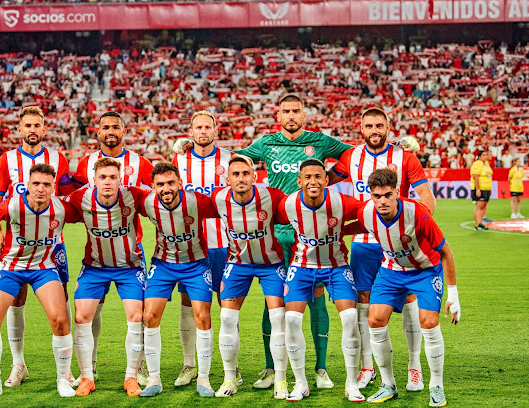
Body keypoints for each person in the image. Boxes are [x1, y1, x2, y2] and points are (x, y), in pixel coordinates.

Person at [174, 94, 351, 389]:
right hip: (277, 234)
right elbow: (233, 157)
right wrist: (192, 147)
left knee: (316, 296)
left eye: (296, 111)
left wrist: (328, 178)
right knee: (276, 303)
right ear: (278, 116)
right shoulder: (266, 144)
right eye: (286, 111)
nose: (291, 115)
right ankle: (272, 368)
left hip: (310, 233)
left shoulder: (319, 141)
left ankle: (320, 368)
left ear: (304, 115)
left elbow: (352, 155)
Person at [328, 107, 435, 391]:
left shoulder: (406, 157)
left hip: (400, 246)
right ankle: (367, 367)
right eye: (369, 126)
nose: (374, 130)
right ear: (360, 129)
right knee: (364, 304)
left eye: (379, 125)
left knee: (410, 300)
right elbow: (321, 180)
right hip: (364, 245)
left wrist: (414, 229)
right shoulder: (351, 157)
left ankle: (415, 367)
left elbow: (427, 199)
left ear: (388, 126)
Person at [357, 168, 461, 407]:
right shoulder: (367, 212)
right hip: (391, 271)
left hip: (424, 271)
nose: (382, 201)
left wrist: (453, 295)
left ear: (396, 193)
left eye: (387, 195)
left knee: (429, 322)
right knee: (375, 320)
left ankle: (437, 386)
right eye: (377, 195)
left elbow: (445, 252)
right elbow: (352, 226)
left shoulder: (418, 213)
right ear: (371, 195)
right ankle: (388, 385)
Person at [0, 106, 74, 387]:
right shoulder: (7, 159)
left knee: (61, 303)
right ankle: (18, 364)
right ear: (20, 129)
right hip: (17, 244)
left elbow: (68, 198)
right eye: (28, 125)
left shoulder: (57, 158)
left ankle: (66, 369)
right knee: (16, 299)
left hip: (52, 245)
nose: (32, 130)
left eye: (37, 125)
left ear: (44, 129)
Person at [0, 164, 79, 399]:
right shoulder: (13, 204)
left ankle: (63, 379)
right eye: (36, 184)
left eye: (46, 184)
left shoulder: (62, 208)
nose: (41, 189)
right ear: (28, 185)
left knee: (60, 319)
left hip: (43, 267)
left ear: (54, 187)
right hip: (10, 267)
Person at [72, 111, 153, 384]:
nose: (110, 131)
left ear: (124, 131)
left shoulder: (140, 163)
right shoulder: (85, 164)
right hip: (96, 255)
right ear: (97, 131)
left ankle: (137, 368)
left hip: (130, 252)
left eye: (115, 127)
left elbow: (159, 194)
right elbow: (70, 201)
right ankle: (90, 366)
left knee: (137, 314)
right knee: (91, 310)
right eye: (105, 126)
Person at [275, 159, 364, 402]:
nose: (313, 181)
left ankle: (351, 383)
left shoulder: (342, 202)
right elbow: (268, 220)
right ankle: (301, 383)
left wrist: (345, 230)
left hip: (335, 266)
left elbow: (370, 214)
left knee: (350, 318)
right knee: (291, 320)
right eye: (308, 177)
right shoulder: (289, 204)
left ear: (326, 180)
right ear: (299, 181)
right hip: (302, 267)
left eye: (318, 176)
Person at [139, 162, 220, 397]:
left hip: (196, 264)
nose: (166, 188)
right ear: (153, 187)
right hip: (163, 264)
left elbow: (225, 208)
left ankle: (203, 379)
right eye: (161, 184)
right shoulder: (146, 203)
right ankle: (154, 379)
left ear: (180, 184)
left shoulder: (197, 201)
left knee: (202, 317)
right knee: (150, 316)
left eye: (171, 183)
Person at [210, 155, 288, 399]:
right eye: (236, 174)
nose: (241, 178)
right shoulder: (218, 198)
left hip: (270, 264)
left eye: (246, 173)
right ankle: (230, 378)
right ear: (227, 178)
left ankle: (281, 379)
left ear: (255, 176)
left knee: (278, 318)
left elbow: (294, 213)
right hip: (238, 263)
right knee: (227, 317)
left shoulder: (271, 196)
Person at [172, 110, 233, 387]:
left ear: (215, 130)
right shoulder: (180, 159)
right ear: (191, 131)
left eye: (208, 126)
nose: (203, 131)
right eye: (198, 127)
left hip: (223, 243)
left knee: (227, 305)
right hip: (191, 244)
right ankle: (189, 364)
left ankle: (231, 368)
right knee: (188, 304)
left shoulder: (229, 159)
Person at [470, 150, 493, 230]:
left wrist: (489, 189)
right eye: (484, 155)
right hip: (480, 188)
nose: (486, 156)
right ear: (479, 157)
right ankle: (477, 224)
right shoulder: (476, 164)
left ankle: (481, 223)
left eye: (486, 155)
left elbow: (489, 176)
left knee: (484, 205)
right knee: (479, 206)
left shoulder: (486, 164)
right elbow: (475, 177)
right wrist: (478, 189)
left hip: (486, 188)